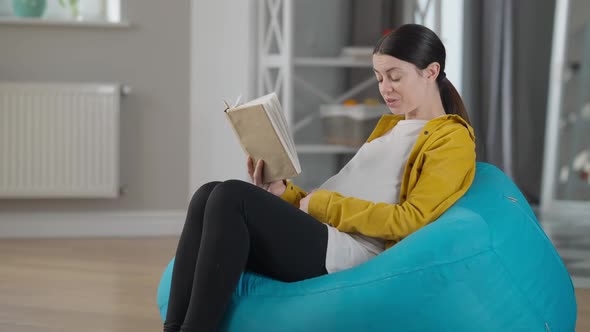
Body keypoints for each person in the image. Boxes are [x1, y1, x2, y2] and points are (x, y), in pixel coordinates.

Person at [163, 23, 476, 332]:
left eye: (395, 77)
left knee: (231, 196)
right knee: (208, 193)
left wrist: (323, 205)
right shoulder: (391, 127)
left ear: (431, 72)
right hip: (325, 233)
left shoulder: (450, 139)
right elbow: (339, 196)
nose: (385, 88)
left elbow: (411, 219)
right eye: (379, 78)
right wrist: (283, 193)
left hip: (353, 252)